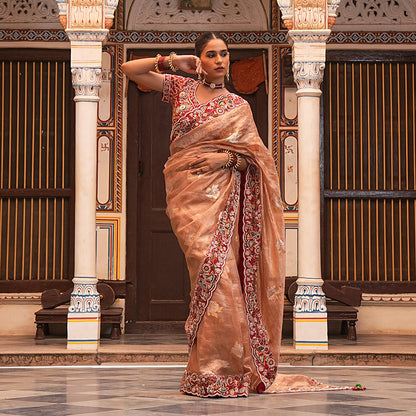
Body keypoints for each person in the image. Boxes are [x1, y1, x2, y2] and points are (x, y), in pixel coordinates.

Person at [121, 32, 352, 398]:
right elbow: (128, 68)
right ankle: (207, 371)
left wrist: (224, 158)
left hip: (224, 203)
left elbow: (258, 160)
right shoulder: (180, 89)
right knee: (207, 274)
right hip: (188, 200)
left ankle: (222, 372)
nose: (220, 60)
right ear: (200, 59)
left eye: (224, 54)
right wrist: (172, 61)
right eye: (211, 54)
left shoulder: (237, 107)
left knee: (224, 280)